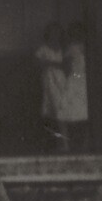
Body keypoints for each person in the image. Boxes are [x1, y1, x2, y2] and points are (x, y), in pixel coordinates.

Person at [34, 22, 69, 152]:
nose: (55, 35)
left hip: (62, 80)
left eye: (57, 32)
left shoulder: (63, 48)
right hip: (49, 80)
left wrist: (50, 63)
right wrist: (54, 64)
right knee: (54, 110)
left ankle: (64, 143)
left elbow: (67, 65)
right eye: (52, 32)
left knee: (63, 110)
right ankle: (60, 143)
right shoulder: (43, 49)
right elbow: (37, 63)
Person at [58, 21, 90, 152]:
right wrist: (75, 75)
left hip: (85, 80)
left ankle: (85, 144)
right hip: (74, 80)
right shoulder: (71, 48)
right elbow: (66, 67)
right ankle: (66, 145)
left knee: (86, 112)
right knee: (65, 113)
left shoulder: (88, 47)